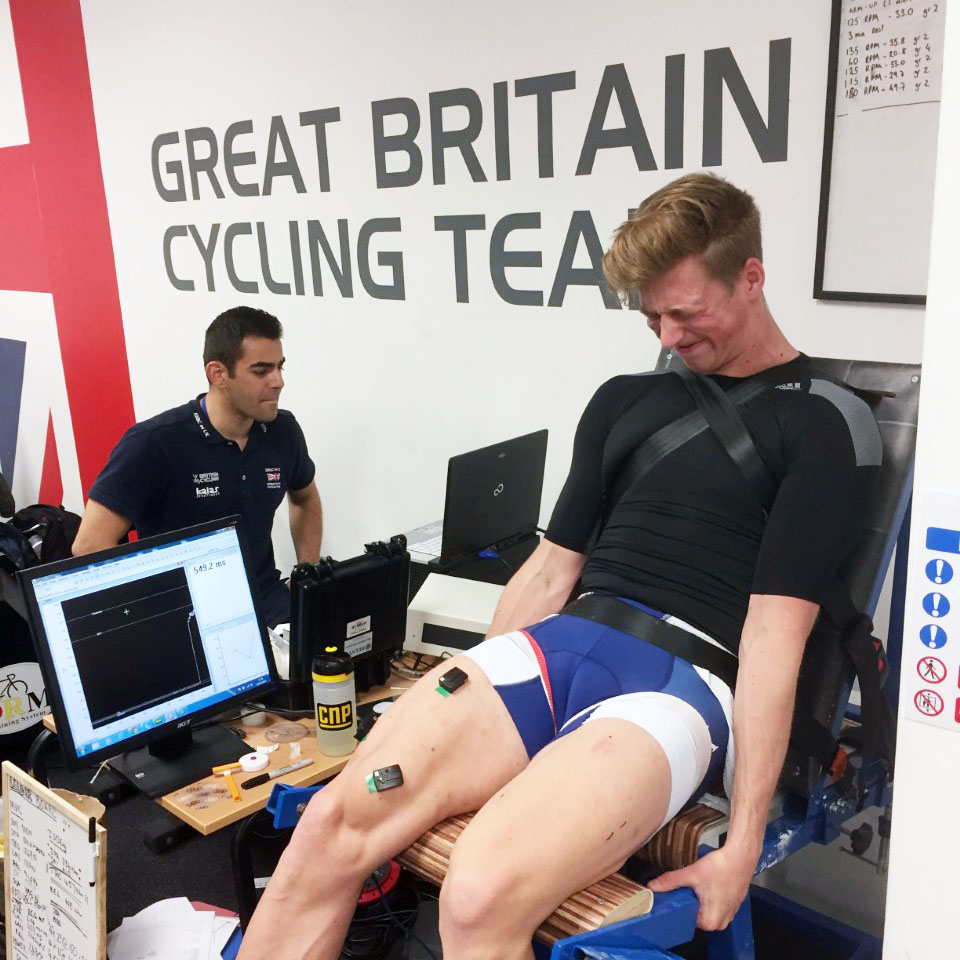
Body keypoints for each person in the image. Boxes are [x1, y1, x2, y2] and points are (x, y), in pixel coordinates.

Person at [236, 174, 881, 960]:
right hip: (557, 647)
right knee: (333, 821)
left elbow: (775, 636)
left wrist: (740, 849)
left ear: (751, 277)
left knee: (476, 895)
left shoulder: (823, 422)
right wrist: (468, 694)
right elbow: (549, 571)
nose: (669, 336)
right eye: (652, 316)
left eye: (686, 312)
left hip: (678, 684)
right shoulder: (624, 400)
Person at [72, 306, 323, 627]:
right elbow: (89, 547)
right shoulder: (153, 442)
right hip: (183, 612)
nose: (278, 382)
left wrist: (307, 573)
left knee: (338, 654)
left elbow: (305, 498)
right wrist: (151, 612)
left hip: (264, 597)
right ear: (218, 374)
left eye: (280, 367)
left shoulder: (283, 430)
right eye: (261, 371)